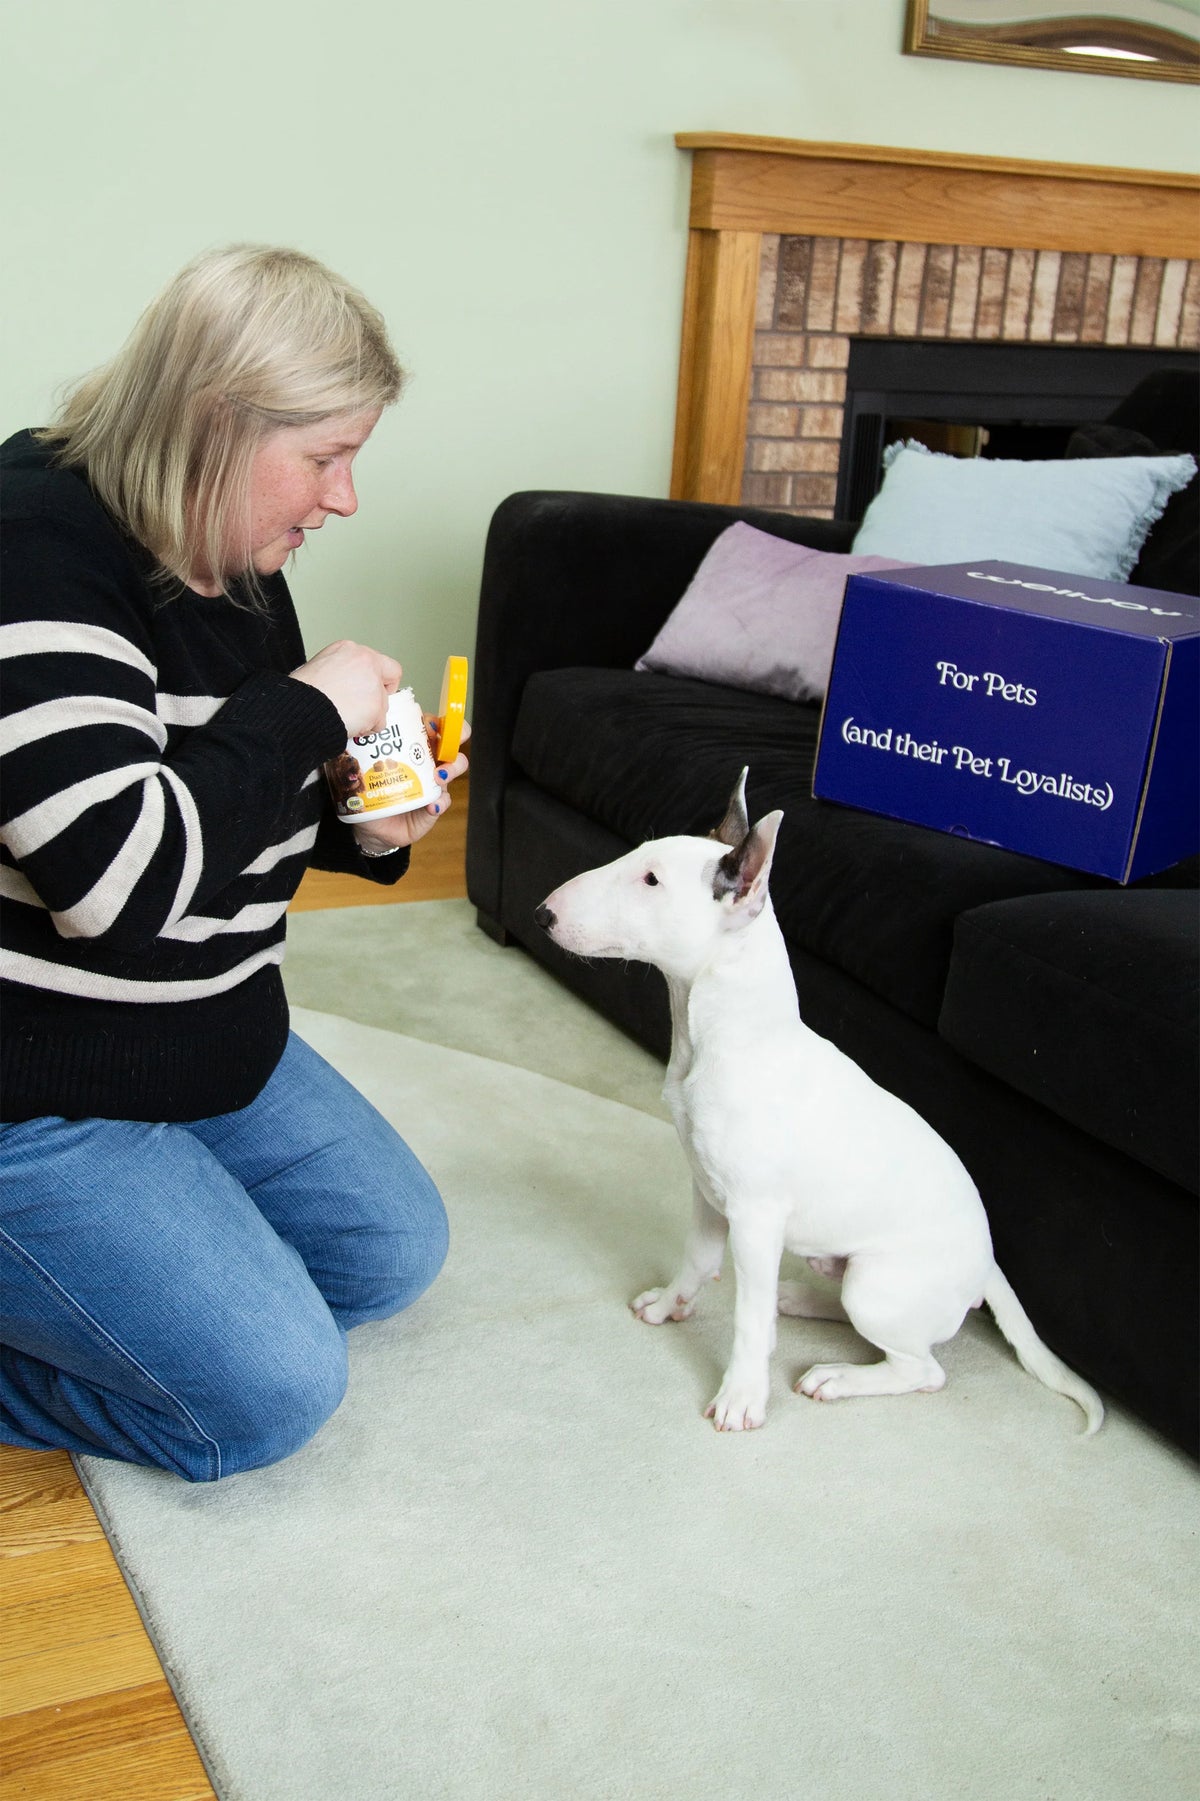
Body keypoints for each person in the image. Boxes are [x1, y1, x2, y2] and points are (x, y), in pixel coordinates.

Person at [0, 245, 463, 1481]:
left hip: (196, 1034)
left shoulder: (226, 538)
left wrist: (361, 820)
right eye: (326, 457)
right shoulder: (30, 549)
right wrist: (306, 710)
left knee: (389, 1254)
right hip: (30, 1076)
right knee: (264, 1397)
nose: (345, 498)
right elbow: (118, 883)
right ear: (217, 423)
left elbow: (225, 789)